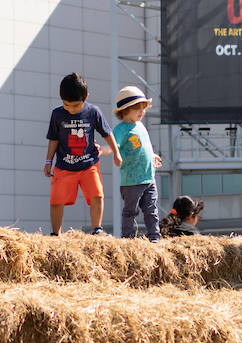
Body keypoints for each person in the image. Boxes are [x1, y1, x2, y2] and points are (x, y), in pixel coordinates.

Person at [45, 72, 120, 235]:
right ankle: (55, 234)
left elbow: (107, 133)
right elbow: (53, 139)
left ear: (86, 97)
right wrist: (48, 161)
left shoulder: (93, 111)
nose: (71, 109)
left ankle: (97, 229)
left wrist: (116, 152)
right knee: (56, 200)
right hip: (64, 166)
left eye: (76, 106)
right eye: (66, 105)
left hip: (89, 164)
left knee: (97, 195)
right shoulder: (57, 114)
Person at [112, 85, 163, 240]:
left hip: (149, 177)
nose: (142, 111)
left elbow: (143, 146)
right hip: (131, 181)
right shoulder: (121, 129)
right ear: (125, 110)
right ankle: (128, 239)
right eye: (137, 108)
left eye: (143, 107)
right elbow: (112, 144)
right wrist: (105, 149)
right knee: (130, 211)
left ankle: (154, 237)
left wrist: (152, 155)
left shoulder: (140, 125)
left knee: (151, 210)